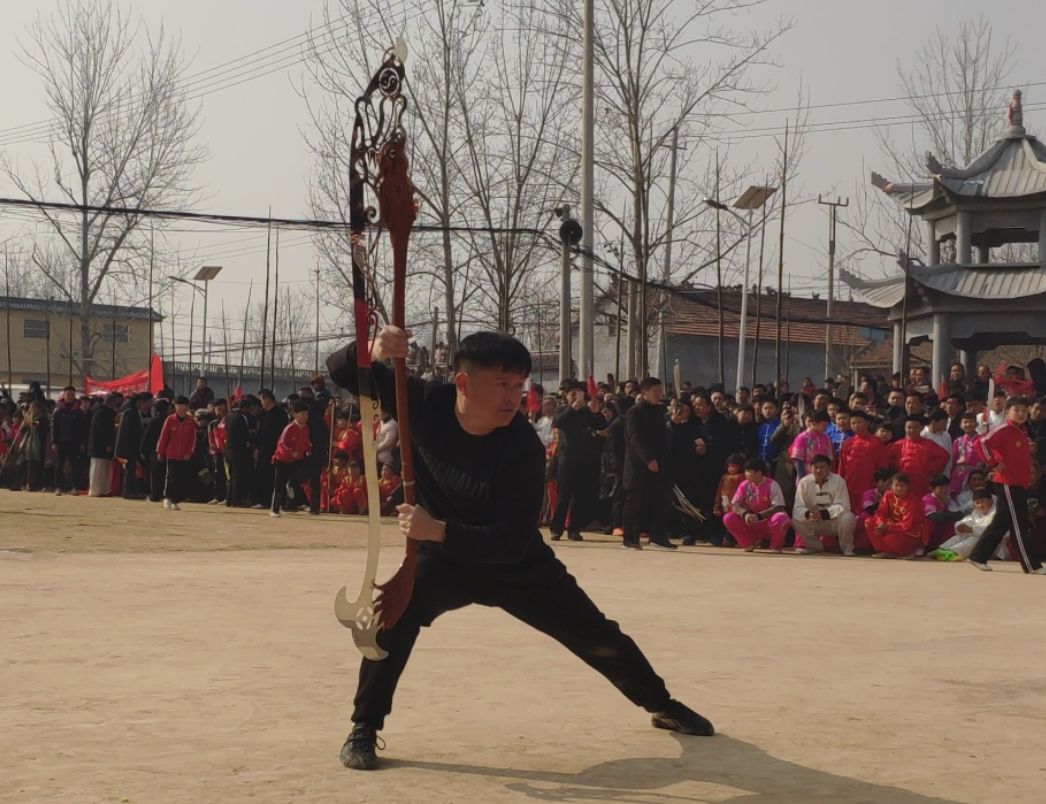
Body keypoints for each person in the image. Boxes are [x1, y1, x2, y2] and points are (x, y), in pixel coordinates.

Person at [327, 327, 713, 771]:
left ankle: (661, 704)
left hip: (516, 563)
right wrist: (373, 349)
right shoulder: (422, 402)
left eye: (519, 386)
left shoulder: (522, 448)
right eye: (502, 385)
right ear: (463, 383)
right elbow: (339, 370)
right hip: (443, 560)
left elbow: (510, 541)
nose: (514, 397)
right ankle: (364, 726)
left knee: (597, 635)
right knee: (391, 619)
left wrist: (438, 530)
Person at [967, 397, 1045, 573]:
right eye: (1016, 410)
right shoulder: (1005, 429)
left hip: (1018, 483)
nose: (1020, 414)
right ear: (1008, 411)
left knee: (1001, 523)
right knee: (1019, 523)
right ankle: (1031, 564)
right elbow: (981, 443)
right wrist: (994, 463)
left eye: (1024, 411)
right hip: (1008, 482)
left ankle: (978, 556)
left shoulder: (1019, 431)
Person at [622, 377, 676, 550]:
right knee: (635, 503)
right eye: (655, 391)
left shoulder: (658, 411)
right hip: (639, 465)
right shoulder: (634, 412)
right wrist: (648, 459)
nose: (659, 394)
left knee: (662, 499)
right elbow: (635, 438)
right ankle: (630, 538)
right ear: (644, 393)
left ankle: (657, 536)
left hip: (660, 464)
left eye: (660, 391)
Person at [550, 382, 605, 542]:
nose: (575, 397)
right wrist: (573, 408)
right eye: (572, 394)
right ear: (567, 396)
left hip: (584, 458)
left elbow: (600, 425)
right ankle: (556, 529)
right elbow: (558, 422)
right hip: (566, 458)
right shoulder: (562, 410)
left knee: (580, 495)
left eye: (578, 393)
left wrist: (596, 413)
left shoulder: (586, 412)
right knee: (563, 495)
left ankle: (574, 529)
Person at [793, 454, 857, 555]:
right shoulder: (804, 482)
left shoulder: (838, 481)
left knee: (847, 518)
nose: (819, 470)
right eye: (816, 467)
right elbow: (798, 507)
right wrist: (808, 514)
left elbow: (843, 506)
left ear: (829, 468)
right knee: (796, 520)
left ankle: (847, 548)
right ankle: (814, 547)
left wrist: (823, 513)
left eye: (822, 467)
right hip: (814, 521)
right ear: (810, 468)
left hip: (834, 521)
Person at [722, 457, 790, 552]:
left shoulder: (772, 484)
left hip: (767, 522)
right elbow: (734, 505)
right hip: (750, 521)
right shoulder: (744, 485)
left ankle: (775, 546)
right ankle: (748, 543)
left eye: (749, 471)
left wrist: (759, 516)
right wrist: (745, 514)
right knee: (728, 518)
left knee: (781, 518)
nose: (746, 474)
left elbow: (778, 506)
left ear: (759, 472)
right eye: (746, 471)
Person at [837, 408, 887, 514]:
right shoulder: (848, 443)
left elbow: (882, 465)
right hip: (850, 485)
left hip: (869, 485)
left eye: (859, 422)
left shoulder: (876, 442)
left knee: (867, 514)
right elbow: (842, 466)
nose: (856, 425)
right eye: (853, 423)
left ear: (867, 423)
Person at [887, 415, 949, 500]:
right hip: (903, 481)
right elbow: (887, 458)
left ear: (921, 428)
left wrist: (930, 470)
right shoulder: (898, 444)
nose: (911, 430)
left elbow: (944, 456)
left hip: (921, 481)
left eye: (915, 428)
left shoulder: (928, 444)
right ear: (904, 428)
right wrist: (897, 466)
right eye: (909, 427)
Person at [930, 490, 1003, 561]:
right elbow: (967, 521)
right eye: (977, 503)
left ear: (991, 501)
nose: (980, 505)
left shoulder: (997, 513)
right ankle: (942, 549)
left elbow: (992, 531)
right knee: (961, 536)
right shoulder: (976, 512)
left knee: (974, 539)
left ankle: (952, 553)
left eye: (983, 501)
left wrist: (971, 529)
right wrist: (961, 526)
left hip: (994, 545)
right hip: (979, 544)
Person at [867, 473, 927, 559]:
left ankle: (902, 552)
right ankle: (885, 551)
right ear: (891, 486)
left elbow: (906, 525)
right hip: (893, 525)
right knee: (869, 522)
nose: (899, 488)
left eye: (902, 486)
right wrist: (881, 523)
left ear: (907, 487)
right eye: (896, 485)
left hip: (911, 531)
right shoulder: (888, 495)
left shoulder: (911, 501)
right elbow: (880, 512)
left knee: (890, 538)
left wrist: (888, 527)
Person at [271, 400, 312, 518]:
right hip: (282, 459)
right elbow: (282, 443)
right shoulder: (289, 428)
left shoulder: (306, 428)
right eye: (302, 414)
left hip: (296, 459)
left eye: (306, 414)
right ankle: (274, 509)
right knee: (278, 485)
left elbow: (306, 442)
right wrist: (290, 452)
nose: (305, 417)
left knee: (302, 474)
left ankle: (291, 486)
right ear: (294, 415)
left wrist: (309, 449)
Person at [156, 396, 196, 511]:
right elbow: (163, 437)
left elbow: (193, 439)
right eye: (178, 405)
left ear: (187, 407)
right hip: (171, 454)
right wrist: (160, 451)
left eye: (182, 405)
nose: (180, 408)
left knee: (181, 478)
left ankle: (176, 500)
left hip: (184, 456)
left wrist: (190, 452)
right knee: (171, 477)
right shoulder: (170, 420)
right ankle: (167, 498)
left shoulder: (190, 421)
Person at [254, 390, 288, 508]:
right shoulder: (263, 414)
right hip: (263, 450)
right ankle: (263, 500)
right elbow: (259, 433)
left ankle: (278, 502)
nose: (261, 402)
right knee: (262, 475)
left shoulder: (280, 414)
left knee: (276, 477)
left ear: (268, 399)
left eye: (262, 399)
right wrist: (257, 447)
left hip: (276, 450)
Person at [115, 392, 152, 499]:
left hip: (130, 447)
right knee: (130, 470)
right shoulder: (131, 413)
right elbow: (132, 431)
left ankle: (131, 490)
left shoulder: (132, 412)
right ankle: (128, 491)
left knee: (131, 469)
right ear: (138, 402)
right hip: (128, 447)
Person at [52, 386, 86, 495]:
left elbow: (82, 429)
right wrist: (54, 442)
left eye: (71, 394)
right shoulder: (58, 410)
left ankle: (75, 487)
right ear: (64, 395)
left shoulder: (78, 411)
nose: (69, 396)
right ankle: (58, 487)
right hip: (61, 442)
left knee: (75, 466)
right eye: (67, 394)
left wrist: (82, 443)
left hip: (75, 442)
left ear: (74, 396)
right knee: (59, 465)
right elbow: (54, 427)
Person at [87, 393, 122, 497]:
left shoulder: (106, 413)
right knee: (97, 469)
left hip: (103, 446)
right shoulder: (101, 413)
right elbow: (101, 431)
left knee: (105, 469)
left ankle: (104, 490)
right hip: (98, 446)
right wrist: (107, 443)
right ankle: (95, 490)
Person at [923, 473, 963, 550]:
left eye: (946, 487)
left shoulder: (947, 499)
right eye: (941, 488)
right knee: (928, 522)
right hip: (930, 529)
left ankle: (943, 547)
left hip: (941, 528)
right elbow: (934, 516)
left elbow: (959, 515)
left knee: (954, 524)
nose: (945, 490)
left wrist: (944, 514)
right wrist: (949, 515)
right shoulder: (928, 498)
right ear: (932, 489)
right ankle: (924, 546)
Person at [789, 409, 833, 480]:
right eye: (824, 425)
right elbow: (798, 461)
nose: (826, 428)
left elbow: (829, 459)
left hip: (824, 477)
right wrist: (802, 479)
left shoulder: (826, 438)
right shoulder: (802, 438)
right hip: (807, 476)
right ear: (814, 423)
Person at [141, 398, 170, 502]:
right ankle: (162, 494)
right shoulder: (168, 420)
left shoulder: (155, 421)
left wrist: (143, 450)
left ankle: (155, 495)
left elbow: (146, 437)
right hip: (165, 451)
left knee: (155, 474)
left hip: (154, 451)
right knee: (163, 473)